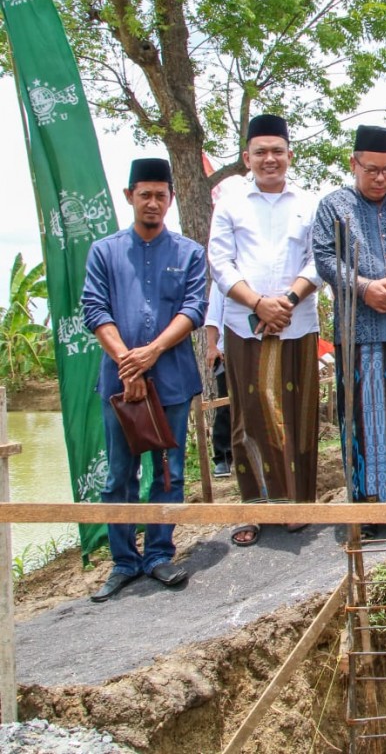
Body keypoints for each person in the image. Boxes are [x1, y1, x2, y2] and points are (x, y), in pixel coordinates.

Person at [81, 158, 207, 601]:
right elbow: (95, 310)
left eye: (161, 195)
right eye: (145, 194)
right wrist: (125, 363)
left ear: (171, 199)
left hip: (172, 379)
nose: (153, 203)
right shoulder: (105, 251)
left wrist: (152, 352)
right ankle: (123, 562)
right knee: (119, 474)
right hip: (118, 384)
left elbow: (193, 310)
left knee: (169, 472)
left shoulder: (190, 253)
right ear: (129, 196)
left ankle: (158, 554)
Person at [208, 113, 322, 547]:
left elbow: (319, 260)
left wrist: (287, 301)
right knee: (248, 417)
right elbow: (220, 263)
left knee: (299, 413)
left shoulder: (309, 203)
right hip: (245, 323)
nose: (269, 159)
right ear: (246, 157)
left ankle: (298, 505)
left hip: (298, 322)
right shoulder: (231, 203)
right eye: (261, 152)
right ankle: (253, 507)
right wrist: (258, 303)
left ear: (289, 155)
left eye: (277, 151)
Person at [313, 125, 386, 534]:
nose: (381, 178)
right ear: (354, 164)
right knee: (361, 418)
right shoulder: (333, 207)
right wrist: (363, 287)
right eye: (372, 170)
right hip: (358, 330)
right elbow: (325, 257)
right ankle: (366, 510)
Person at [203, 286, 232, 477]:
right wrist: (212, 346)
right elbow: (213, 315)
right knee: (226, 405)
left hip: (263, 343)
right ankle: (222, 457)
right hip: (227, 350)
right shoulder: (223, 273)